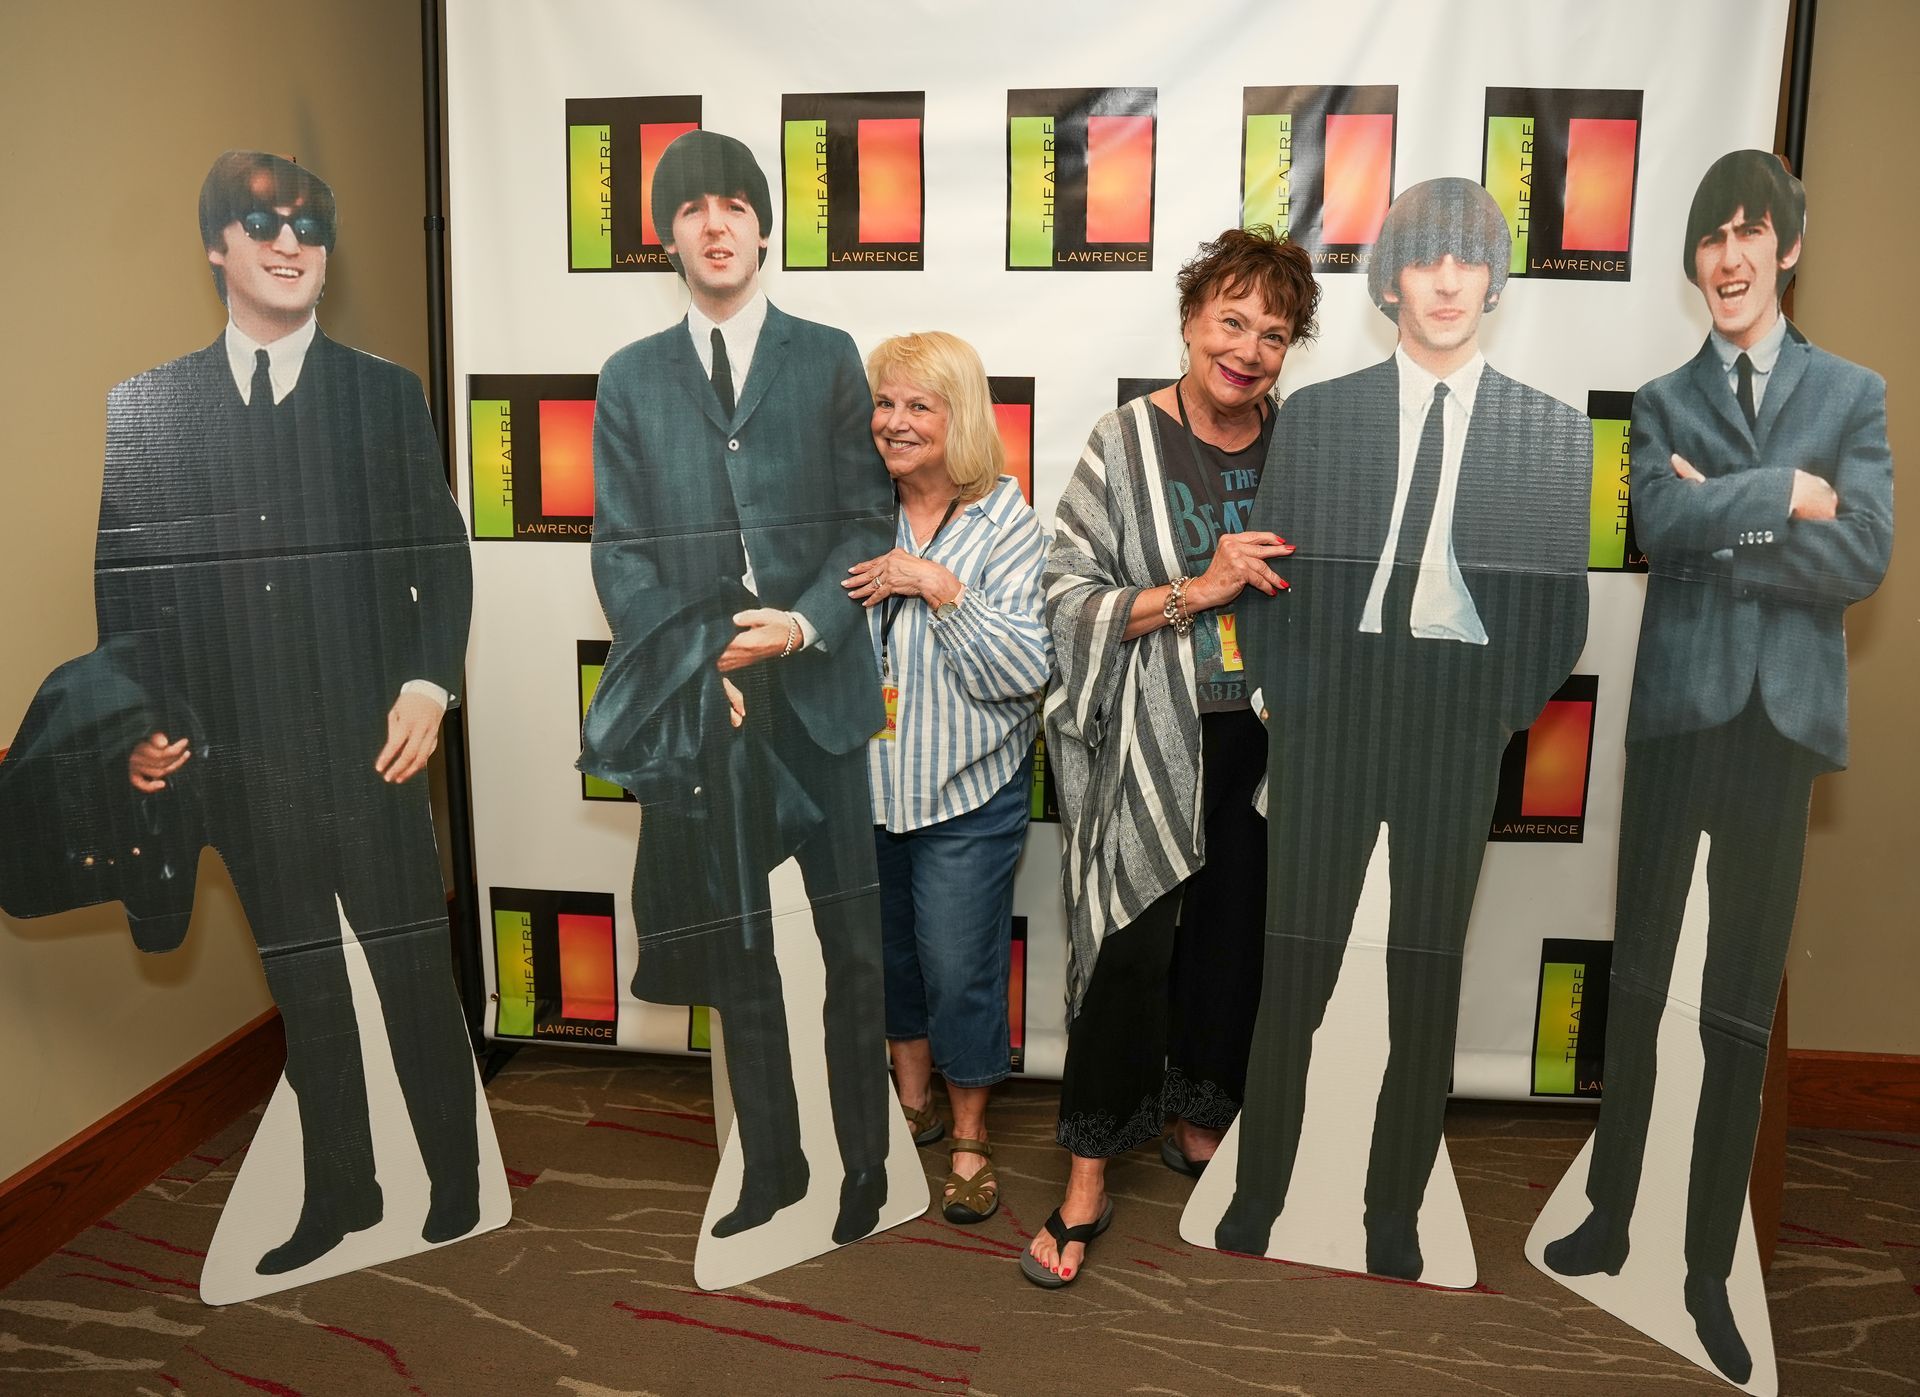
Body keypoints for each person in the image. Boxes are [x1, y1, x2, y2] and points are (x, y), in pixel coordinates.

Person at [1543, 151, 1892, 1384]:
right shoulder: (1661, 397)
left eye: (1753, 233)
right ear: (1694, 259)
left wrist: (1736, 516)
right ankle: (1613, 1212)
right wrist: (1783, 495)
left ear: (1788, 248)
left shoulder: (1853, 393)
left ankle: (1704, 1260)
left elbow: (1862, 559)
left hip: (1782, 731)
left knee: (1737, 1003)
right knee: (1640, 980)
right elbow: (1654, 525)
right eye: (1711, 238)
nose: (1731, 256)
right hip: (1683, 720)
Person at [99, 151, 478, 1275]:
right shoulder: (151, 406)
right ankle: (342, 1193)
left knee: (412, 975)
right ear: (218, 244)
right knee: (307, 988)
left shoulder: (381, 391)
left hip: (375, 752)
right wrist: (146, 719)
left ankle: (455, 1179)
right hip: (242, 764)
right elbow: (126, 591)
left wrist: (427, 682)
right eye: (262, 221)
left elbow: (438, 554)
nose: (290, 240)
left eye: (310, 223)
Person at [1215, 178, 1590, 1279]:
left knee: (1423, 970)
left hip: (1454, 714)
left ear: (1493, 280)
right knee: (1299, 964)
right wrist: (1289, 696)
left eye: (1467, 260)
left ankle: (1393, 1209)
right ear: (1391, 282)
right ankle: (1261, 1187)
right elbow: (1272, 573)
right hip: (1334, 706)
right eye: (1424, 260)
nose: (1445, 281)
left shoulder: (1546, 432)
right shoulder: (1322, 419)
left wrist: (1487, 719)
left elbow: (1557, 610)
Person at [579, 130, 896, 1246]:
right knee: (745, 952)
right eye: (690, 209)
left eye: (733, 204)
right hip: (712, 708)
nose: (714, 224)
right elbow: (620, 550)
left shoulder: (827, 354)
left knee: (855, 948)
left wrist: (804, 621)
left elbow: (868, 516)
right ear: (666, 236)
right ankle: (775, 1165)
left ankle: (867, 1164)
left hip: (818, 695)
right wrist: (695, 653)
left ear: (763, 226)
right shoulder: (628, 378)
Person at [1024, 227, 1319, 1287]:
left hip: (1268, 733)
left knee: (1234, 941)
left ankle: (1202, 1114)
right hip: (1151, 725)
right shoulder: (1123, 440)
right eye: (1230, 321)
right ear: (1192, 321)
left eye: (1273, 333)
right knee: (1132, 946)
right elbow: (1064, 599)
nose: (1247, 349)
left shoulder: (1308, 445)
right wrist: (1204, 583)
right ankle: (1088, 1172)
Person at [842, 332, 1051, 1225]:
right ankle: (912, 1101)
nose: (894, 422)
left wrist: (937, 585)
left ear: (959, 417)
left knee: (961, 967)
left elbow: (1023, 666)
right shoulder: (855, 508)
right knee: (888, 957)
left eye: (918, 406)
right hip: (867, 785)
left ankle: (969, 1133)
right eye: (884, 403)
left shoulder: (1006, 520)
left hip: (968, 789)